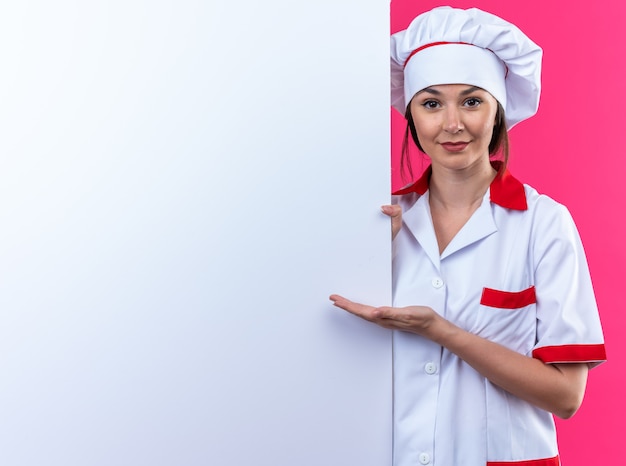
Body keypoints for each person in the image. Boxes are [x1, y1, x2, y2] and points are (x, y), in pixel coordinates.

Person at [329, 6, 606, 466]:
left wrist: (442, 332)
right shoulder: (376, 224)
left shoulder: (543, 223)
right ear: (411, 115)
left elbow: (565, 395)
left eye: (472, 101)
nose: (452, 124)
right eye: (432, 103)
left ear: (498, 110)